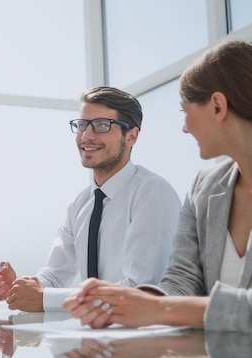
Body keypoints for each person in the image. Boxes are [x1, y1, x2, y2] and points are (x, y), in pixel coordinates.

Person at [63, 39, 252, 331]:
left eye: (184, 111)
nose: (185, 127)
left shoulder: (152, 191)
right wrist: (125, 305)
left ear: (217, 106)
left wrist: (157, 308)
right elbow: (180, 281)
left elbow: (168, 305)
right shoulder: (204, 187)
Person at [0, 86, 181, 312]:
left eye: (102, 125)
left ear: (132, 136)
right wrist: (22, 288)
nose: (87, 135)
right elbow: (55, 276)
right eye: (82, 125)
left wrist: (43, 299)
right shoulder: (81, 203)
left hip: (144, 340)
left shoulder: (152, 192)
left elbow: (141, 289)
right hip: (94, 338)